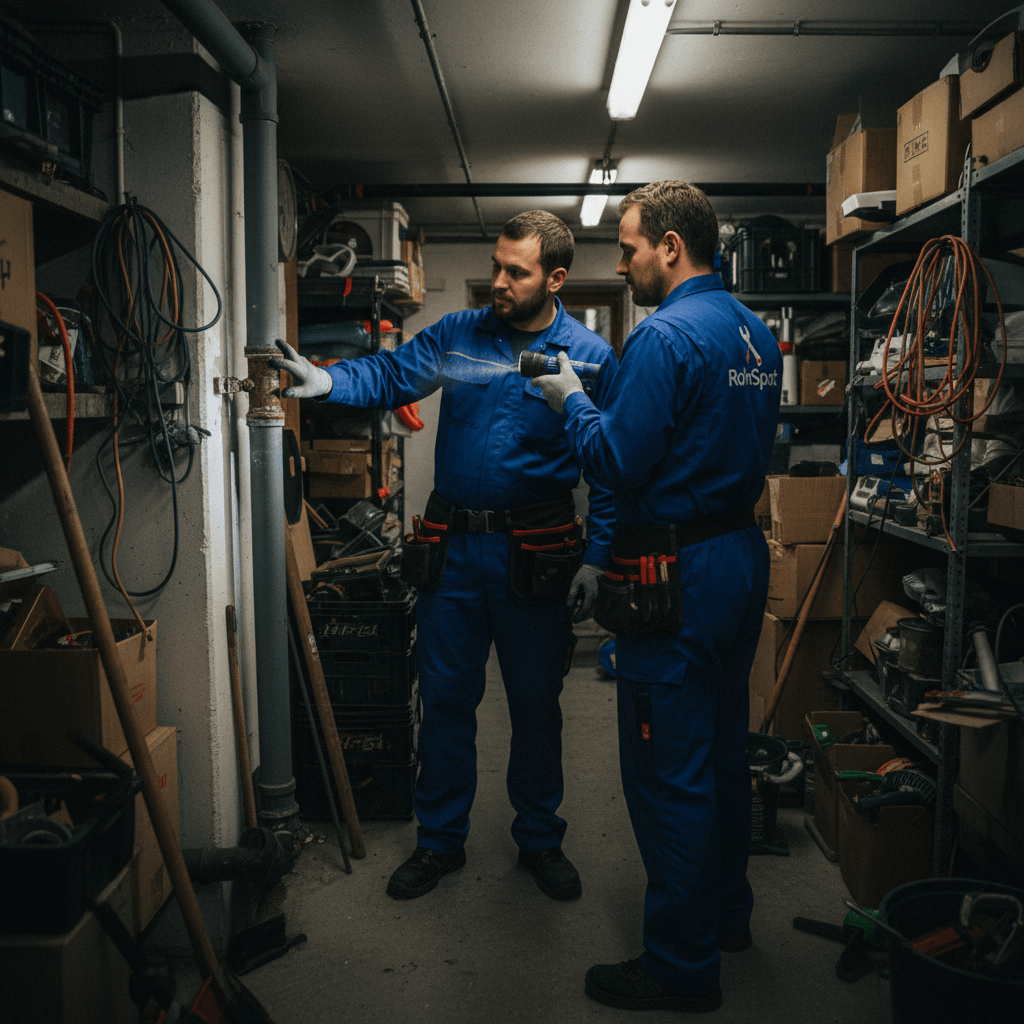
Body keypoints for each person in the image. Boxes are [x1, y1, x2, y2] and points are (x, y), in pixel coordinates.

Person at [271, 210, 619, 902]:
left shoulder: (590, 357)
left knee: (536, 708)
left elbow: (609, 466)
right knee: (446, 700)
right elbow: (392, 374)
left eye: (515, 272)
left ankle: (540, 839)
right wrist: (326, 381)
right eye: (496, 265)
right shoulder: (460, 335)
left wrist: (597, 556)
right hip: (454, 551)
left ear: (554, 278)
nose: (498, 281)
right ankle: (440, 842)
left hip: (536, 552)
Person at [533, 182, 781, 1012]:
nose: (624, 262)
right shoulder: (754, 332)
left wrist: (571, 401)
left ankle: (681, 964)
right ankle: (727, 915)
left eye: (631, 247)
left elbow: (615, 462)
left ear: (672, 246)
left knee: (666, 768)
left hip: (677, 574)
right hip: (741, 555)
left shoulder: (664, 336)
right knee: (718, 749)